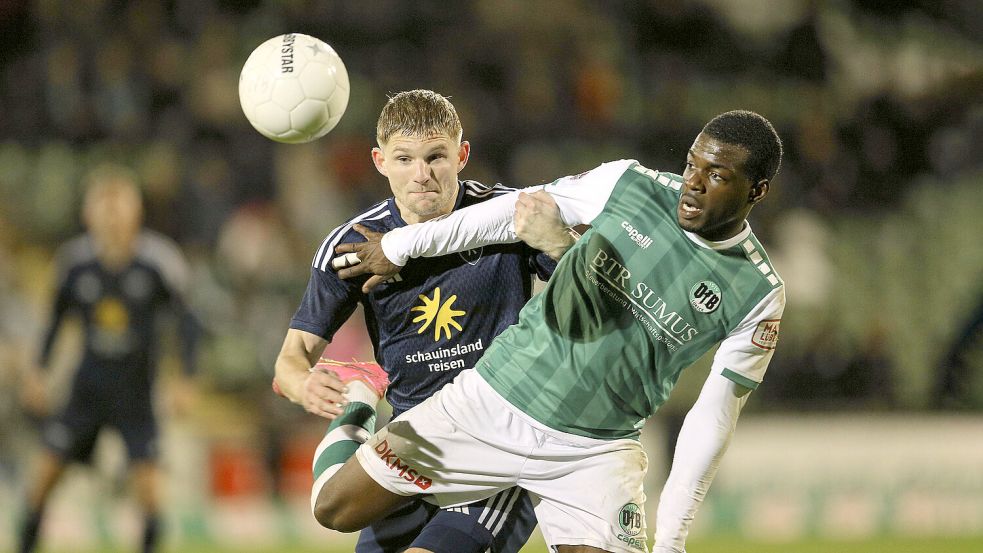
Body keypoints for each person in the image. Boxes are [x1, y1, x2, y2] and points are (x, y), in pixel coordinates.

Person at [317, 110, 786, 553]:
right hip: (493, 402)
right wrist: (402, 245)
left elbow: (713, 417)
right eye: (691, 164)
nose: (693, 184)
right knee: (334, 509)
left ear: (757, 190)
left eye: (717, 176)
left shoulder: (758, 292)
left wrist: (671, 539)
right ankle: (360, 405)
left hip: (594, 451)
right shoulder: (629, 184)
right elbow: (512, 213)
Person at [272, 89, 575, 553]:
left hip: (501, 441)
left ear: (462, 155)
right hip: (413, 442)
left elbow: (591, 290)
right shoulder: (351, 245)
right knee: (332, 510)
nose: (422, 175)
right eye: (404, 159)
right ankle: (360, 399)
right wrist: (305, 386)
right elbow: (291, 361)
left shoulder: (510, 216)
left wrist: (562, 244)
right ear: (379, 161)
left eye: (436, 157)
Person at [17, 164, 199, 553]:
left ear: (136, 212)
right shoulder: (74, 262)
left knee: (150, 493)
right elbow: (53, 322)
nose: (111, 215)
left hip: (136, 393)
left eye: (119, 205)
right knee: (42, 480)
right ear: (88, 214)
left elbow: (186, 323)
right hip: (86, 389)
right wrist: (37, 371)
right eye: (103, 205)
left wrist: (186, 378)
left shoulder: (158, 262)